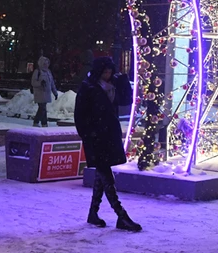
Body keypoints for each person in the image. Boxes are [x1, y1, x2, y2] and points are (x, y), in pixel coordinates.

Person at [74, 56, 141, 232]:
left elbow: (127, 100)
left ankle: (93, 213)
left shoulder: (112, 86)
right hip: (96, 138)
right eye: (104, 72)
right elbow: (80, 116)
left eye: (110, 72)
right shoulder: (88, 88)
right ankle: (121, 216)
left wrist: (123, 79)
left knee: (101, 175)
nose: (107, 75)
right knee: (107, 177)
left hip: (109, 135)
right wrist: (88, 134)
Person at [31, 56, 59, 127]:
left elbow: (52, 83)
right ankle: (37, 122)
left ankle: (43, 123)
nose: (46, 65)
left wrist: (55, 92)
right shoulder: (37, 71)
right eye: (44, 64)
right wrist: (40, 83)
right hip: (39, 93)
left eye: (47, 64)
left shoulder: (48, 72)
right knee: (42, 108)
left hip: (46, 93)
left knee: (43, 108)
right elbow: (33, 82)